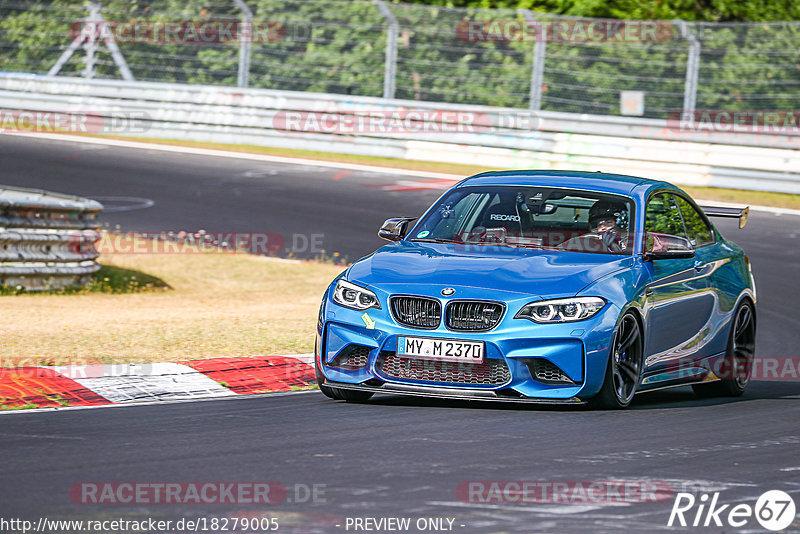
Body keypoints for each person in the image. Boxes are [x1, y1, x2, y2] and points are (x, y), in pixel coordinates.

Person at [559, 200, 630, 253]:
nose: (603, 227)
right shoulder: (587, 240)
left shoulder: (632, 241)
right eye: (599, 224)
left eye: (609, 222)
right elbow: (559, 250)